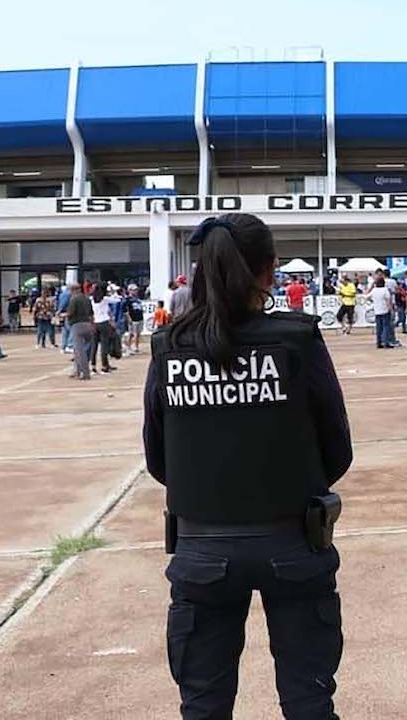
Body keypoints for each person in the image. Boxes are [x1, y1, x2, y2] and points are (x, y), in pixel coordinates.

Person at [143, 213, 351, 719]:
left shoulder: (170, 347)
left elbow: (158, 457)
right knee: (309, 703)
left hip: (202, 547)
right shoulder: (297, 339)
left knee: (203, 706)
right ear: (269, 271)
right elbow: (338, 448)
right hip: (293, 542)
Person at [67, 285, 95, 380]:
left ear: (73, 290)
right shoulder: (87, 299)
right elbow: (91, 313)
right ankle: (77, 370)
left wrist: (63, 315)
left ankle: (84, 372)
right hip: (88, 324)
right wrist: (92, 325)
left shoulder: (74, 299)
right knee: (86, 348)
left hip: (77, 325)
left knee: (79, 351)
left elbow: (70, 313)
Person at [89, 285, 115, 374]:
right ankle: (104, 365)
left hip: (95, 323)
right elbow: (117, 299)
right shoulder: (105, 300)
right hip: (104, 322)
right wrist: (112, 292)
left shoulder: (91, 300)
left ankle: (93, 365)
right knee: (104, 345)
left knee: (94, 345)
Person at [366, 276, 394, 348]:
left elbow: (367, 296)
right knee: (386, 327)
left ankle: (379, 342)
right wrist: (391, 309)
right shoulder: (385, 290)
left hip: (377, 310)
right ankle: (385, 342)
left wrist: (373, 301)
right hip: (385, 310)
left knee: (379, 327)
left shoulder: (374, 290)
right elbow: (388, 300)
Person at [125, 284, 145, 355]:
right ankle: (131, 347)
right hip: (133, 319)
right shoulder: (128, 299)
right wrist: (129, 318)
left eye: (136, 290)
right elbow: (126, 310)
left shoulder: (138, 299)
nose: (135, 291)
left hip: (139, 318)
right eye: (134, 290)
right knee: (133, 334)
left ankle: (135, 347)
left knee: (138, 333)